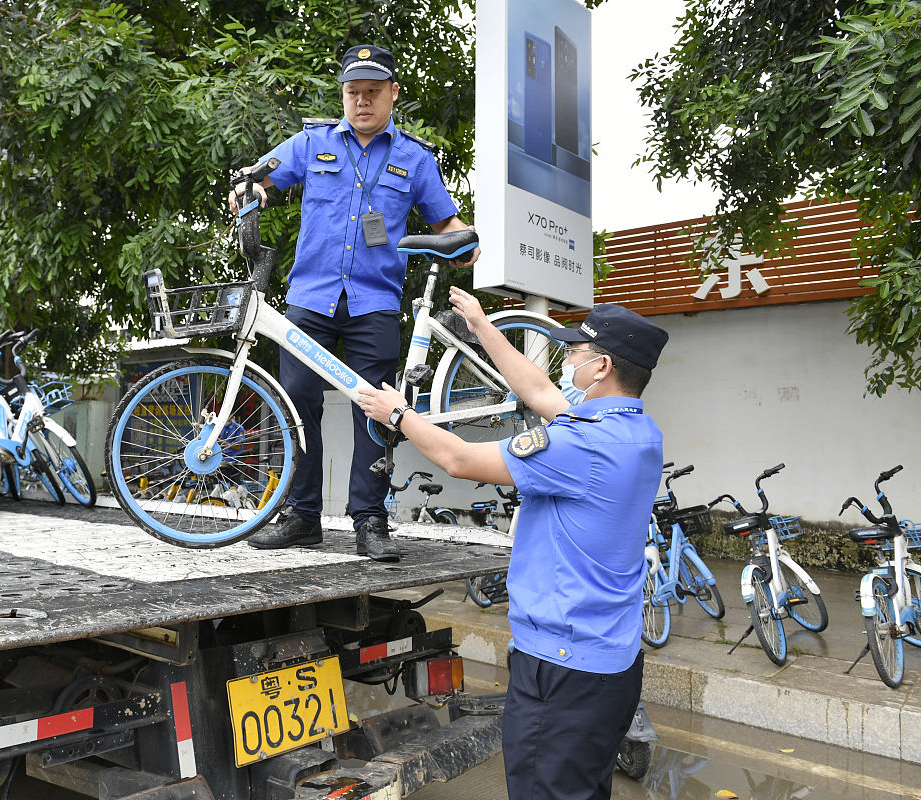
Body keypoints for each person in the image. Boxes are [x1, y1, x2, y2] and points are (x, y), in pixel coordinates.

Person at [357, 292, 669, 800]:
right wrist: (480, 326)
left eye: (574, 353)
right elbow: (539, 389)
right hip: (608, 662)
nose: (566, 361)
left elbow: (458, 459)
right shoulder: (636, 432)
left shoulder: (581, 445)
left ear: (602, 366)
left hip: (563, 667)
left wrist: (399, 415)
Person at [226, 44, 479, 562]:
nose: (361, 102)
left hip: (376, 302)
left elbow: (446, 223)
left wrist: (467, 240)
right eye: (352, 92)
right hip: (311, 297)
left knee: (377, 413)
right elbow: (262, 177)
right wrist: (249, 189)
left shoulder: (414, 157)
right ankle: (301, 516)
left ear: (392, 94)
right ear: (343, 94)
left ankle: (369, 521)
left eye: (372, 92)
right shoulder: (311, 142)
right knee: (297, 403)